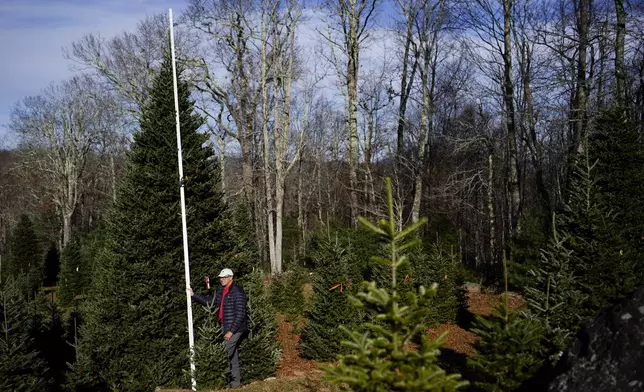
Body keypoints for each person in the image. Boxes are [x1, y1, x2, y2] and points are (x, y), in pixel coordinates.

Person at [190, 268, 247, 389]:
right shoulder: (221, 290)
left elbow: (240, 314)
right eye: (220, 278)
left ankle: (221, 382)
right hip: (225, 326)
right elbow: (210, 301)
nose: (222, 280)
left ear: (230, 277)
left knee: (224, 353)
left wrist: (231, 331)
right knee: (233, 355)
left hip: (235, 328)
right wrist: (194, 295)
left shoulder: (237, 291)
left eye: (224, 277)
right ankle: (236, 384)